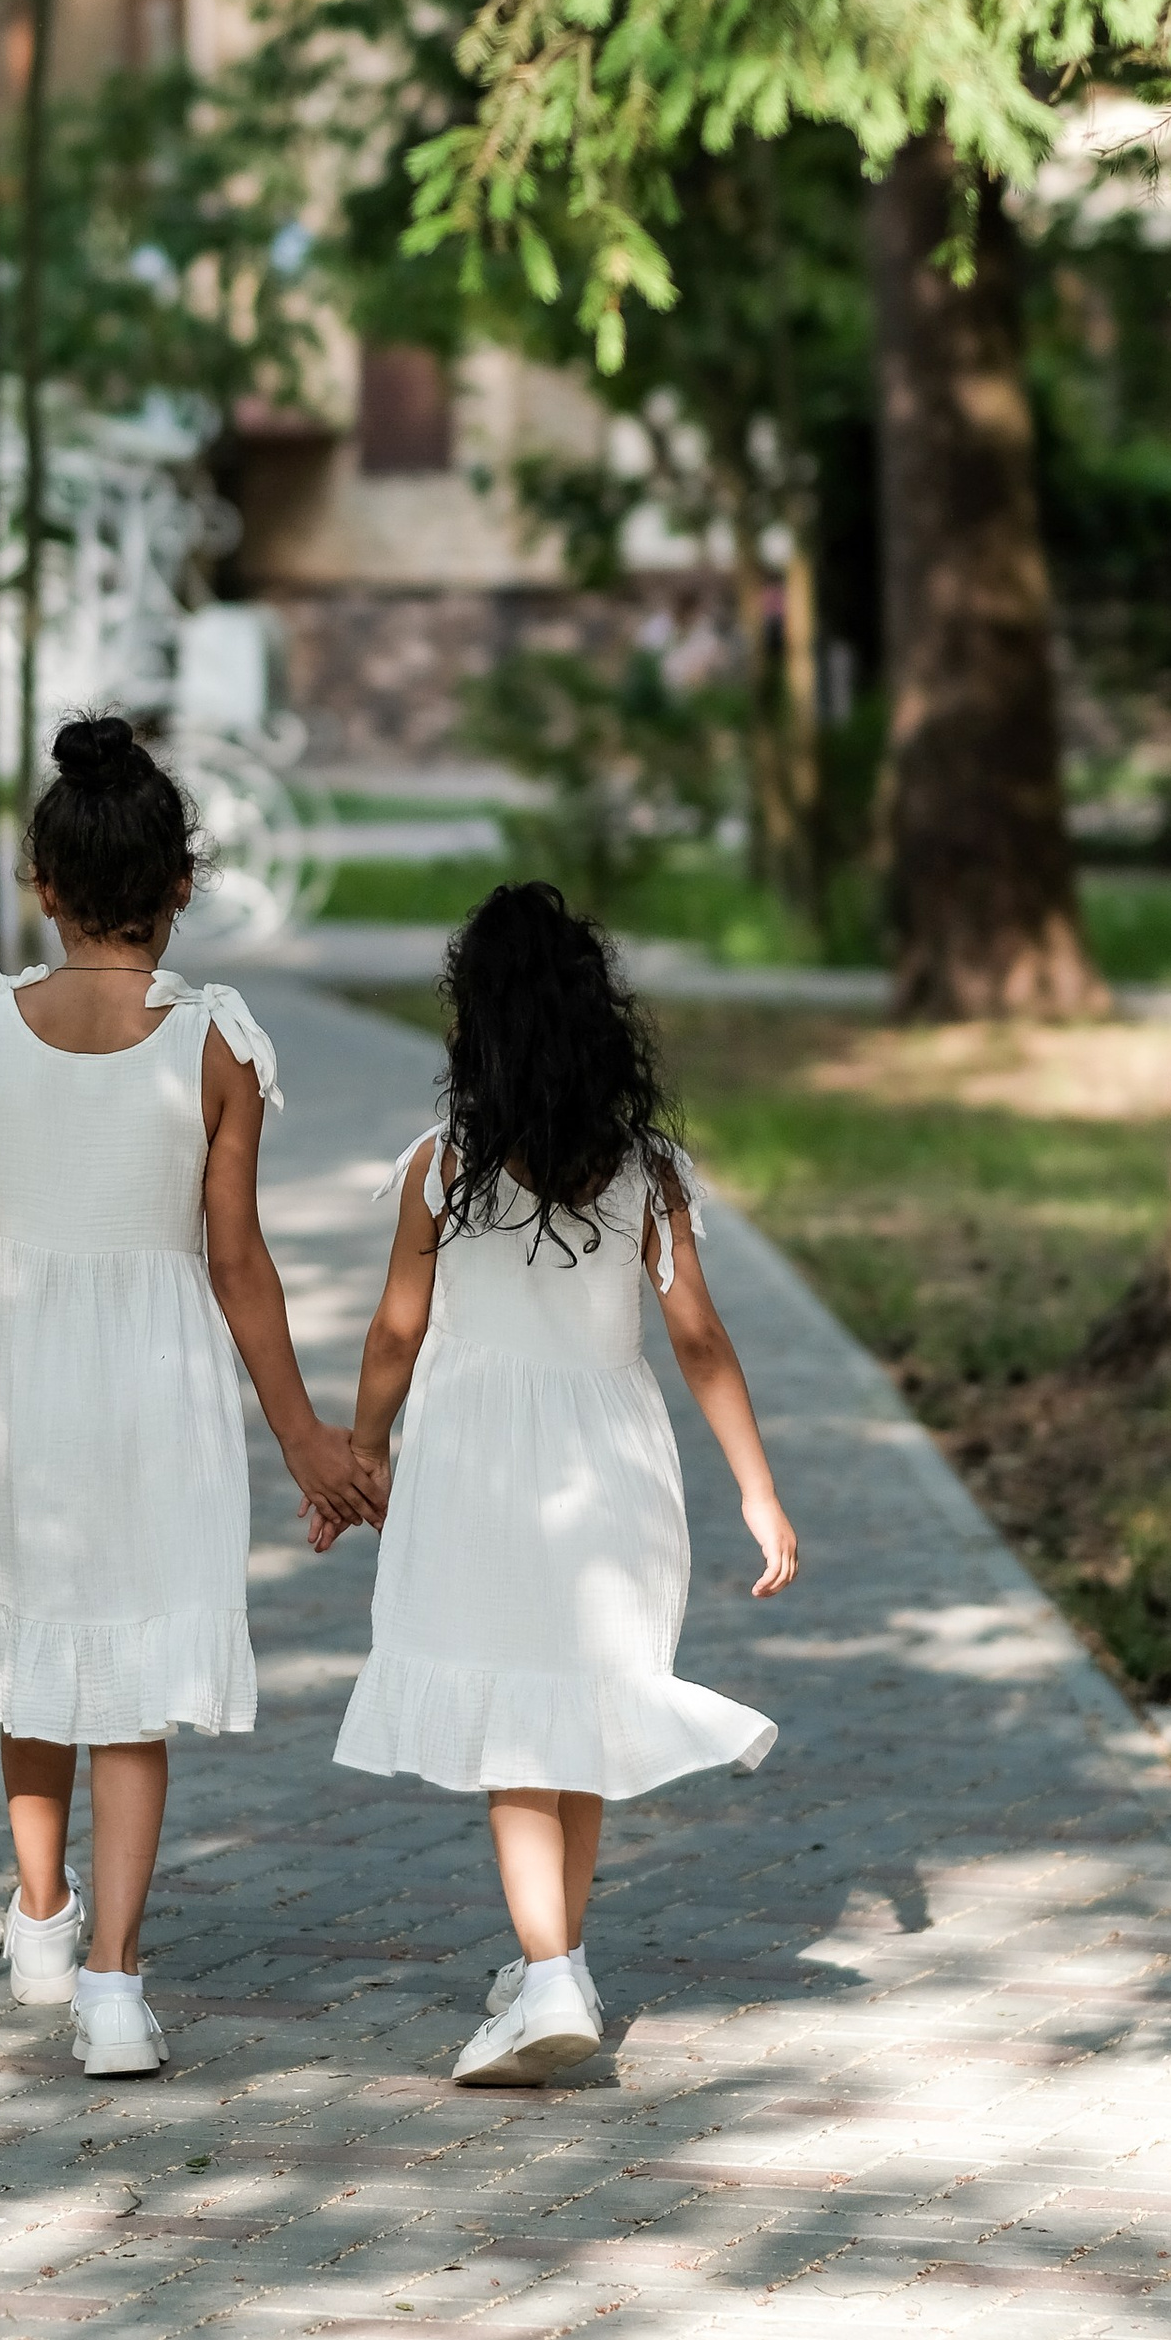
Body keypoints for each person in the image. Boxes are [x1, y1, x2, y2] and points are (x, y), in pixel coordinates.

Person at [0, 712, 372, 2075]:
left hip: (6, 1366)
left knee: (37, 1648)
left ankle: (39, 1909)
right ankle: (115, 1987)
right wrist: (305, 1435)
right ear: (182, 886)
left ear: (43, 884)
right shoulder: (213, 1044)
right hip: (156, 1375)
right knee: (128, 1678)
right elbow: (241, 1262)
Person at [324, 881, 797, 2085]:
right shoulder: (649, 1167)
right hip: (613, 1456)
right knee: (575, 1706)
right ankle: (557, 1960)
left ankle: (546, 1978)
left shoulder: (445, 1166)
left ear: (471, 1024)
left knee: (514, 1726)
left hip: (479, 1458)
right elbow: (698, 1339)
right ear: (597, 1023)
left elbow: (392, 1332)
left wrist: (359, 1450)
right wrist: (755, 1486)